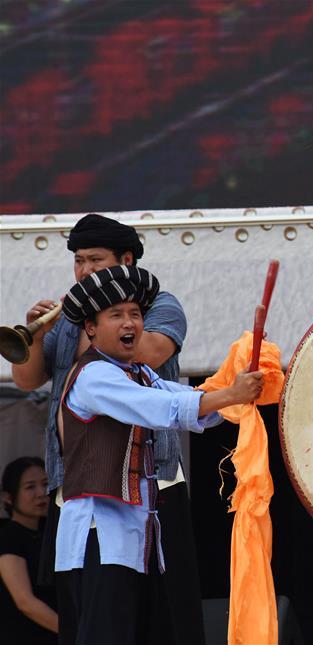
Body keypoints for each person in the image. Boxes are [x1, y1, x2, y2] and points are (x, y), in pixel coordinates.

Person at [9, 213, 203, 643]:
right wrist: (38, 336)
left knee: (163, 612)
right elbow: (26, 380)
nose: (83, 271)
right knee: (88, 612)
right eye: (78, 261)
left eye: (95, 260)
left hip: (152, 484)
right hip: (77, 482)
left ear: (127, 261)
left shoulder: (159, 306)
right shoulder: (70, 316)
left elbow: (145, 353)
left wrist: (97, 322)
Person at [53, 264, 263, 644]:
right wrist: (231, 395)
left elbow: (186, 404)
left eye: (135, 314)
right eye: (116, 315)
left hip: (137, 538)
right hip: (98, 537)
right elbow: (159, 409)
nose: (129, 322)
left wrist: (235, 392)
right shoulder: (94, 376)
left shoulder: (140, 374)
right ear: (91, 328)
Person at [0, 457, 57, 645]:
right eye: (30, 487)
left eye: (45, 484)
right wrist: (73, 632)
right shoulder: (9, 538)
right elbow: (25, 602)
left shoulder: (48, 532)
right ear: (8, 497)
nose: (41, 493)